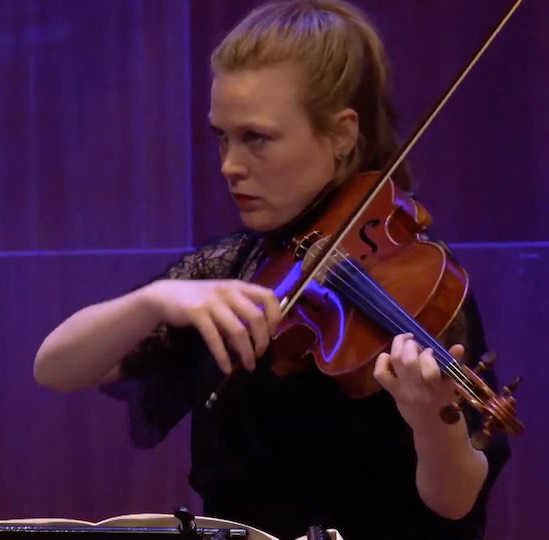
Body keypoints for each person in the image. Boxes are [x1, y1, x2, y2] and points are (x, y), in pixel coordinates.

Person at [33, 1, 511, 539]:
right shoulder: (234, 268)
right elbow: (55, 367)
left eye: (256, 138)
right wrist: (157, 299)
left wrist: (431, 420)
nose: (229, 165)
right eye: (222, 135)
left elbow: (455, 502)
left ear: (341, 134)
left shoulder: (416, 279)